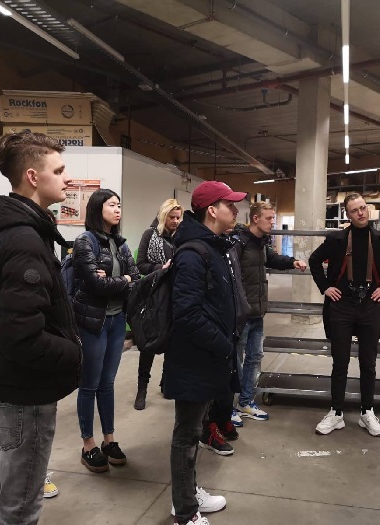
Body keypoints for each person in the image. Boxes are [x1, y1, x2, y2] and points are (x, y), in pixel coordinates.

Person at [0, 131, 81, 525]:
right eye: (60, 170)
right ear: (33, 176)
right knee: (20, 509)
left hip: (6, 385)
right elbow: (22, 335)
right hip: (24, 394)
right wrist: (73, 352)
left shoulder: (13, 230)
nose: (67, 178)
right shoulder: (24, 239)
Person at [164, 180, 247, 525]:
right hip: (194, 359)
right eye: (230, 204)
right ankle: (184, 511)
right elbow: (187, 314)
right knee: (186, 434)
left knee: (194, 431)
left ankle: (188, 492)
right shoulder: (193, 253)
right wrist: (224, 344)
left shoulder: (215, 247)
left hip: (208, 358)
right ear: (212, 210)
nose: (236, 210)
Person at [308, 192, 380, 437]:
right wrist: (325, 288)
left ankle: (367, 412)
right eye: (355, 210)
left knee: (368, 363)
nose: (361, 213)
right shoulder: (337, 239)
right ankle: (337, 413)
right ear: (347, 214)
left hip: (371, 305)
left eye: (363, 208)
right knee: (339, 362)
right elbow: (314, 260)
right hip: (341, 306)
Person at [72, 189, 140, 473]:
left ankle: (109, 440)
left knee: (107, 383)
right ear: (98, 208)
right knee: (89, 384)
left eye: (119, 204)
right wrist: (122, 279)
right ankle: (88, 445)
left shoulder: (120, 244)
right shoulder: (84, 242)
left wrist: (119, 279)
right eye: (112, 204)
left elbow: (136, 278)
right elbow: (96, 285)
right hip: (93, 321)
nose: (117, 209)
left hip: (115, 322)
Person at [231, 202, 306, 425]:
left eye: (273, 218)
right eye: (269, 218)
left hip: (258, 311)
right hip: (241, 313)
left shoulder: (262, 242)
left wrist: (293, 261)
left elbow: (272, 259)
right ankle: (226, 407)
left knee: (254, 358)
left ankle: (245, 401)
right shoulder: (239, 241)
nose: (273, 222)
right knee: (236, 360)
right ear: (255, 219)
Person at [134, 198, 183, 410]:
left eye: (178, 217)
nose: (175, 221)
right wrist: (161, 267)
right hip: (155, 297)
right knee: (150, 344)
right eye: (171, 217)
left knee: (174, 343)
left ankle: (166, 383)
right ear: (163, 217)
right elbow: (140, 265)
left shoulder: (182, 238)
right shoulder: (150, 235)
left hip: (176, 296)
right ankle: (142, 389)